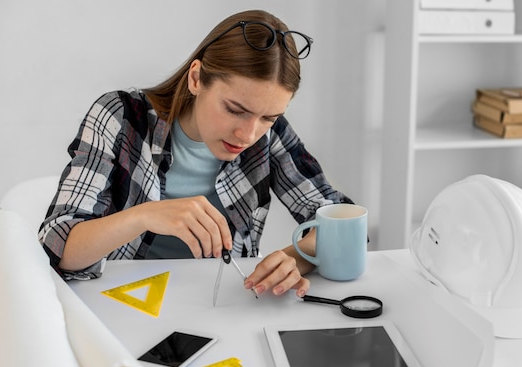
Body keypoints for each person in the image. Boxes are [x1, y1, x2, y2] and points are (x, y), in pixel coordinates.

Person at [38, 9, 353, 297]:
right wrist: (145, 215)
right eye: (234, 109)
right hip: (122, 301)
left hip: (224, 302)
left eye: (268, 117)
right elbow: (56, 247)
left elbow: (343, 222)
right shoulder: (120, 116)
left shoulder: (269, 134)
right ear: (196, 78)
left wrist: (295, 259)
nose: (248, 134)